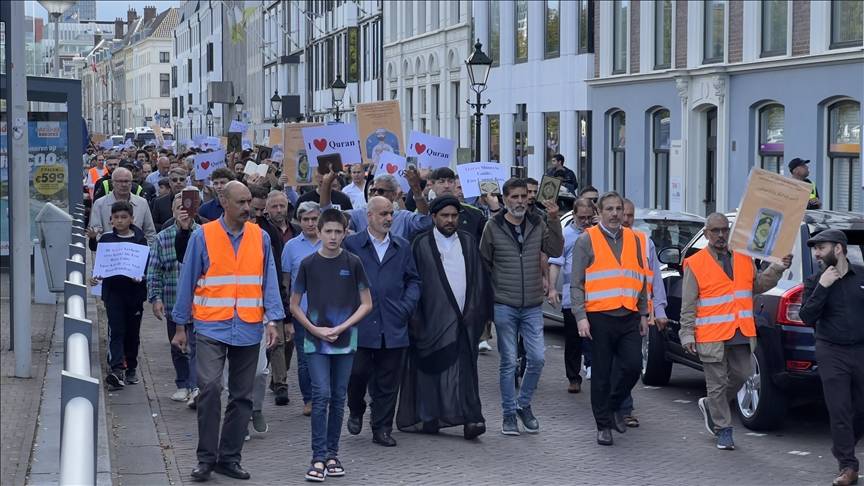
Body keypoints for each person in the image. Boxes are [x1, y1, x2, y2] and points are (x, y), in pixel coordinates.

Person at [171, 181, 284, 482]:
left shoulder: (259, 238)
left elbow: (268, 279)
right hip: (211, 324)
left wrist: (273, 319)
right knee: (208, 388)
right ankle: (206, 459)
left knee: (242, 396)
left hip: (248, 325)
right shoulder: (202, 237)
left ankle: (229, 458)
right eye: (242, 202)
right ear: (223, 202)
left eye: (249, 201)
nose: (248, 208)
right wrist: (180, 326)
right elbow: (187, 281)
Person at [680, 213, 791, 451]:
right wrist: (687, 333)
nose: (721, 235)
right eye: (715, 231)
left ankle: (711, 405)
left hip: (740, 329)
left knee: (743, 374)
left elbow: (757, 286)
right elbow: (688, 303)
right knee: (717, 382)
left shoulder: (743, 257)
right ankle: (723, 429)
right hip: (711, 333)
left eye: (724, 230)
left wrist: (778, 267)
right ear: (707, 233)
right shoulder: (696, 262)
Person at [396, 196, 492, 440]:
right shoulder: (420, 244)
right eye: (445, 216)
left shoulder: (469, 241)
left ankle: (472, 418)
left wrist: (478, 311)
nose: (450, 220)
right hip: (431, 319)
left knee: (466, 369)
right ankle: (430, 417)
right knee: (432, 367)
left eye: (454, 216)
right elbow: (412, 281)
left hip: (465, 319)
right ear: (433, 218)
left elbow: (479, 279)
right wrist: (415, 317)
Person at [289, 209, 372, 482]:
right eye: (329, 231)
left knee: (338, 397)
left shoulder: (354, 262)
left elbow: (367, 303)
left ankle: (332, 454)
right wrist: (314, 329)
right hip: (315, 339)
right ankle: (317, 456)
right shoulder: (308, 264)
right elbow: (294, 304)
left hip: (345, 339)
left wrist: (342, 327)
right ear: (319, 232)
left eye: (338, 231)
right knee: (321, 394)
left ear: (345, 232)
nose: (333, 236)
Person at [480, 178, 563, 436]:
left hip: (532, 304)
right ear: (505, 199)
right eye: (514, 197)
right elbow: (484, 263)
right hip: (504, 303)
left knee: (537, 358)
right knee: (508, 362)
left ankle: (523, 404)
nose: (519, 201)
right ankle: (508, 415)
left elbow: (555, 248)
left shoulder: (537, 223)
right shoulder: (492, 226)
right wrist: (488, 298)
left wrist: (554, 219)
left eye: (523, 197)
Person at [571, 191, 649, 446]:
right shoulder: (587, 240)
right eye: (610, 209)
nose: (615, 214)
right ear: (600, 213)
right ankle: (603, 425)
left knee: (633, 366)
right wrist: (580, 317)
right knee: (602, 374)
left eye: (618, 209)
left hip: (628, 315)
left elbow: (641, 278)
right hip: (599, 317)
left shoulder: (636, 239)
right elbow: (576, 283)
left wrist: (644, 313)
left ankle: (615, 405)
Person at [345, 196, 421, 447]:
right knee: (356, 373)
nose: (389, 218)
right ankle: (356, 408)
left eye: (391, 214)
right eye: (383, 214)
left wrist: (406, 306)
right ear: (369, 216)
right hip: (361, 323)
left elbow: (414, 280)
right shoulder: (352, 244)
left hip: (393, 323)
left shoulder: (402, 246)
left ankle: (382, 427)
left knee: (389, 380)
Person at [798, 229, 864, 486]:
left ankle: (844, 443)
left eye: (821, 248)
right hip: (831, 350)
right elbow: (806, 317)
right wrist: (823, 287)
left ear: (838, 249)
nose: (816, 254)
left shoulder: (861, 275)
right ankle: (847, 466)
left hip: (861, 349)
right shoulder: (815, 281)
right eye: (814, 249)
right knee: (840, 409)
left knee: (860, 408)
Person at [614, 198, 669, 427]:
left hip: (638, 313)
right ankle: (621, 408)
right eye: (623, 214)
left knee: (631, 364)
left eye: (630, 215)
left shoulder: (644, 241)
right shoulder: (602, 240)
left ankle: (620, 403)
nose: (626, 220)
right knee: (611, 364)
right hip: (607, 312)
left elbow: (655, 276)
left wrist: (660, 309)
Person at [89, 201, 149, 390]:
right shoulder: (106, 239)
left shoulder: (140, 239)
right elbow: (101, 260)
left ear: (132, 219)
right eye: (116, 218)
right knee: (116, 330)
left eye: (124, 217)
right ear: (111, 220)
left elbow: (144, 264)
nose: (120, 221)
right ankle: (116, 369)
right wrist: (96, 279)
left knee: (132, 332)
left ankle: (131, 367)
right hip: (113, 293)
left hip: (134, 294)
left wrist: (142, 276)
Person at [148, 193, 200, 402]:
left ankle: (196, 386)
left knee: (197, 346)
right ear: (173, 211)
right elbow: (154, 270)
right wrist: (155, 297)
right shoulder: (162, 238)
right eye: (179, 208)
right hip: (172, 300)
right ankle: (182, 383)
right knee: (177, 345)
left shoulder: (203, 234)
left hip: (199, 303)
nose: (183, 212)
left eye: (187, 208)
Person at [548, 198, 595, 393]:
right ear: (574, 215)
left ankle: (594, 369)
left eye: (589, 217)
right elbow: (556, 263)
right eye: (581, 217)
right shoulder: (565, 235)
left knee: (594, 339)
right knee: (573, 340)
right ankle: (573, 377)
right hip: (571, 297)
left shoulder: (598, 235)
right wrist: (552, 288)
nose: (585, 221)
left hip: (596, 297)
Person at [280, 202, 322, 417]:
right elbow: (286, 282)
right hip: (302, 313)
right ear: (299, 221)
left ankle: (324, 395)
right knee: (305, 359)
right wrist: (288, 314)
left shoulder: (330, 242)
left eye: (314, 219)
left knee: (326, 356)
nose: (310, 223)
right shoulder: (291, 247)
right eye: (305, 219)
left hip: (328, 312)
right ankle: (309, 399)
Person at [324, 172, 432, 241]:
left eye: (380, 191)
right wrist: (326, 184)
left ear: (393, 195)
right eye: (372, 190)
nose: (375, 194)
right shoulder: (359, 214)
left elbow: (425, 222)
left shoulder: (403, 218)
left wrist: (416, 190)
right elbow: (329, 216)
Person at [88, 167, 157, 245]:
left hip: (136, 253)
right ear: (112, 183)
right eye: (120, 181)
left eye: (127, 181)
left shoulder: (142, 203)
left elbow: (150, 233)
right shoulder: (99, 204)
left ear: (131, 183)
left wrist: (144, 251)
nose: (124, 184)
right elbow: (96, 233)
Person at [426, 168, 486, 244]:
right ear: (432, 186)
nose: (446, 186)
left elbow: (489, 237)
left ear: (454, 184)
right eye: (441, 182)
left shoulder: (474, 213)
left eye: (450, 181)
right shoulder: (425, 211)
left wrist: (494, 207)